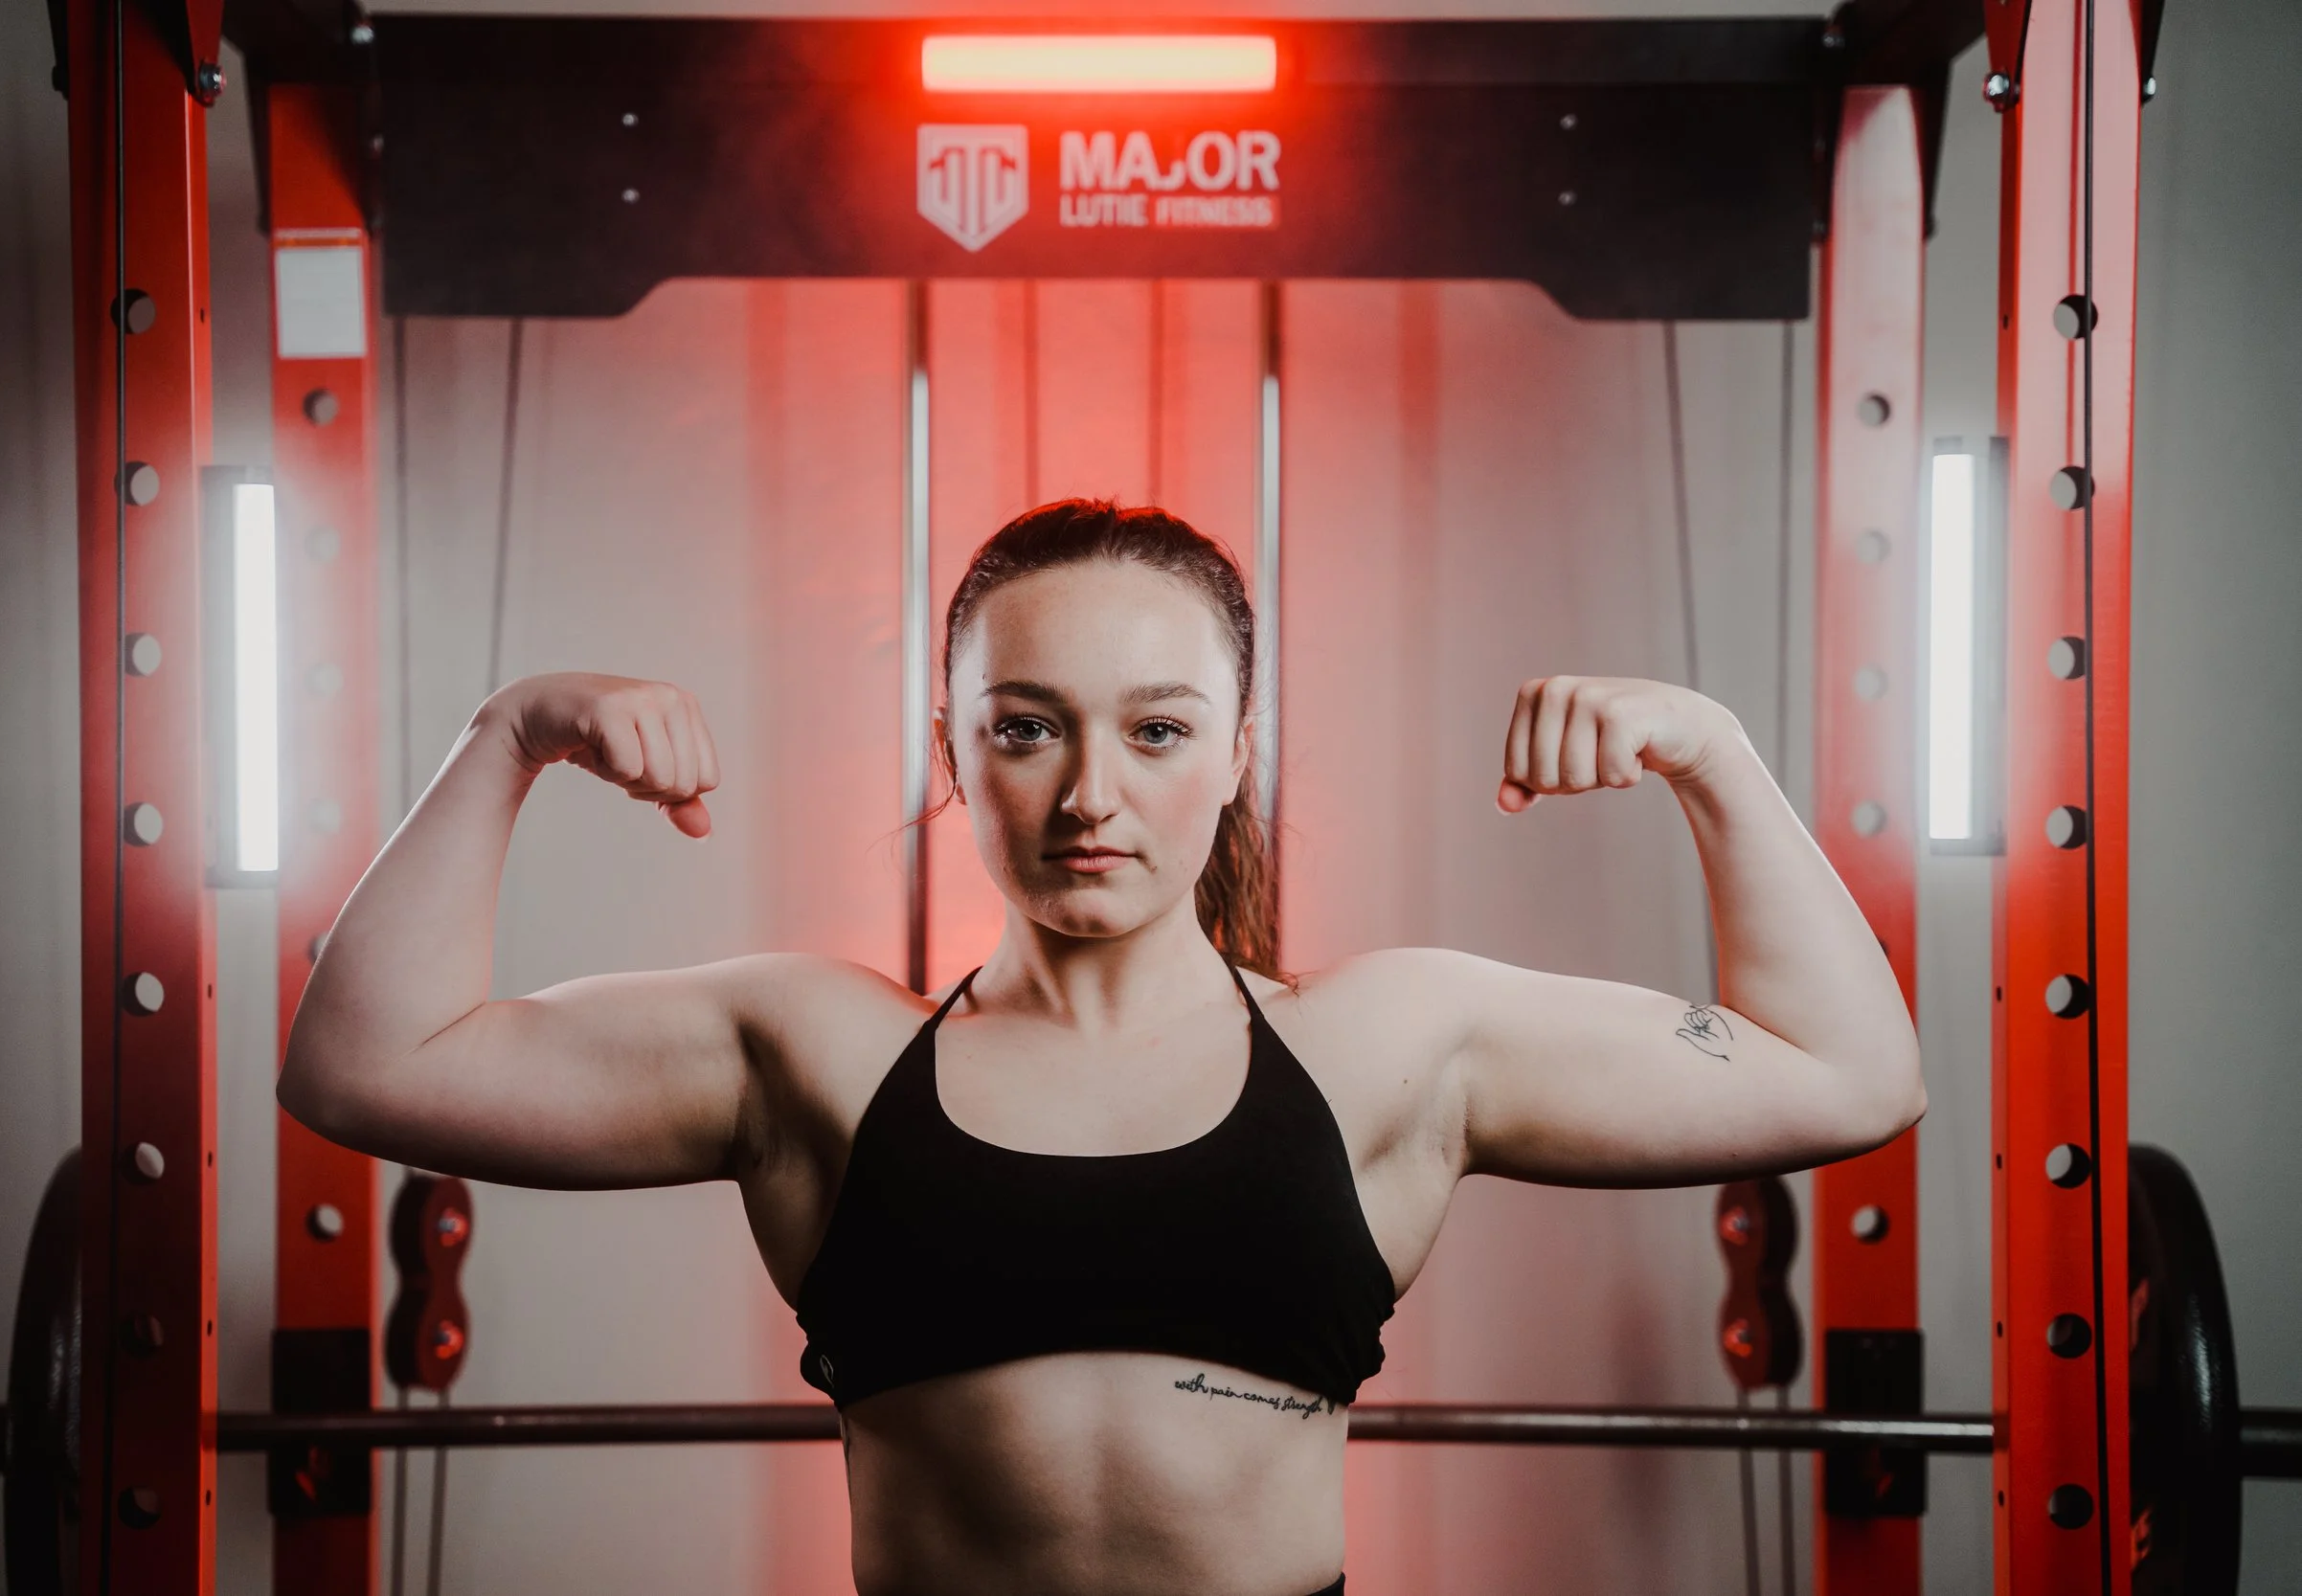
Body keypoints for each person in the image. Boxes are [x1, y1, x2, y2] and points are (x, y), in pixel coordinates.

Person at [282, 498, 1923, 1596]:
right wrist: (507, 738)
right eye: (1024, 727)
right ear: (954, 747)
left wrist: (1713, 755)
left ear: (1236, 753)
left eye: (1156, 729)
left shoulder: (1387, 1044)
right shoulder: (813, 1051)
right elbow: (369, 1063)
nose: (1088, 796)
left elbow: (1849, 1074)